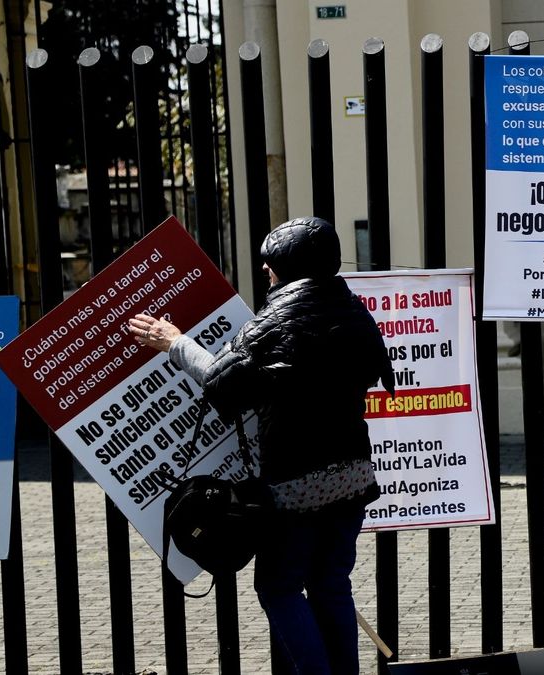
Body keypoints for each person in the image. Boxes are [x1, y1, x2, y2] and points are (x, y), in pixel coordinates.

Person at [129, 216, 394, 674]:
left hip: (296, 487)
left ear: (286, 267)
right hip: (354, 476)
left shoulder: (270, 325)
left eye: (270, 265)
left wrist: (174, 343)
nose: (266, 273)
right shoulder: (354, 312)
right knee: (332, 584)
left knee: (278, 588)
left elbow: (221, 384)